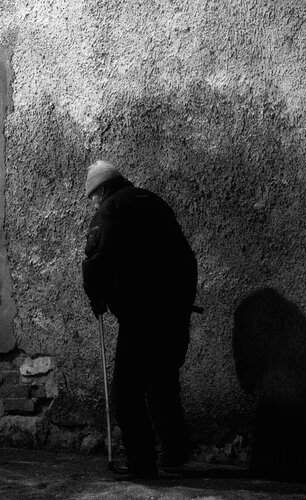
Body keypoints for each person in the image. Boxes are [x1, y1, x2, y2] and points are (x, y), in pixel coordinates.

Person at [82, 160, 197, 479]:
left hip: (141, 316)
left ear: (103, 189)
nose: (93, 202)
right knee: (162, 383)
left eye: (93, 196)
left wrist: (96, 297)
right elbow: (186, 258)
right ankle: (174, 454)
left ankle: (142, 462)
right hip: (174, 312)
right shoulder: (154, 202)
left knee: (126, 393)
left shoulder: (111, 209)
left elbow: (96, 261)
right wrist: (183, 303)